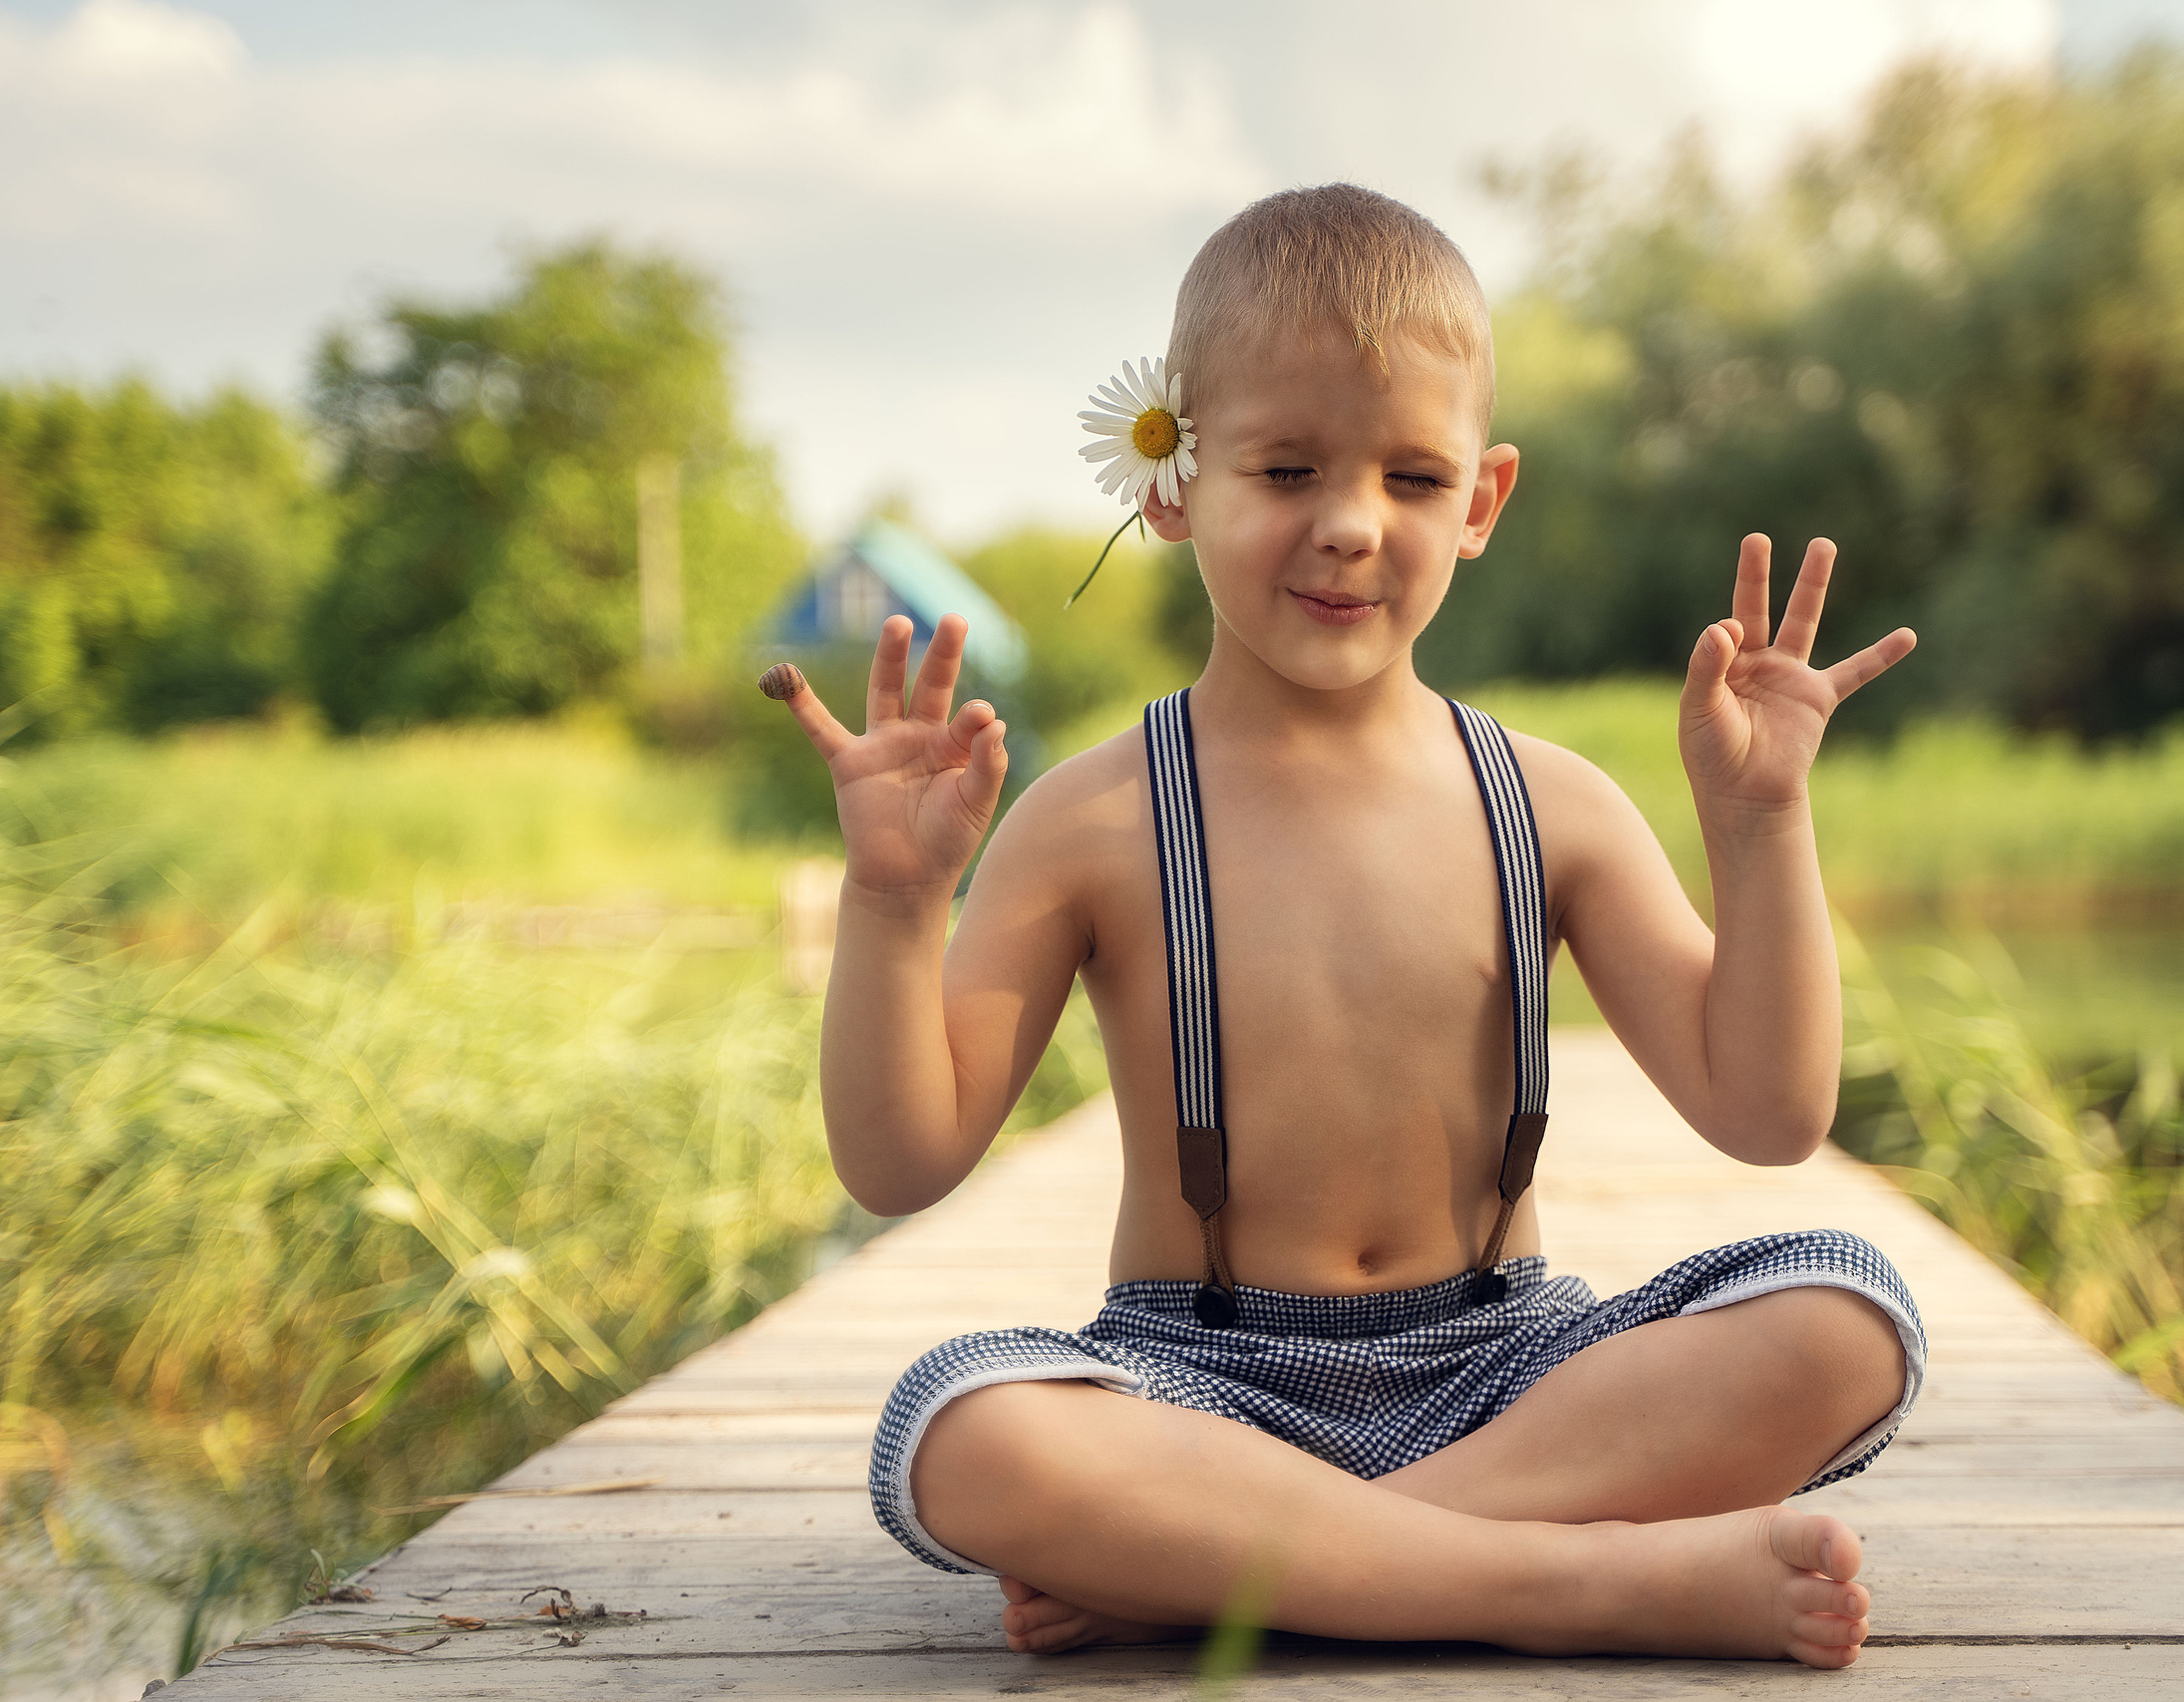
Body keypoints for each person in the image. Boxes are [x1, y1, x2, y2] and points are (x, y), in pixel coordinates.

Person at [762, 183, 1924, 1668]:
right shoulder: (1095, 818)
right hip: (1199, 1383)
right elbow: (898, 1159)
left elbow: (1768, 1113)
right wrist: (892, 900)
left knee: (1847, 1315)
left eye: (1415, 479)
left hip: (1509, 1362)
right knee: (962, 1432)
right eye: (1288, 467)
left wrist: (1761, 827)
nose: (1352, 527)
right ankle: (1582, 1585)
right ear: (1169, 485)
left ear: (1484, 501)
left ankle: (1247, 1570)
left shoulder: (1549, 805)